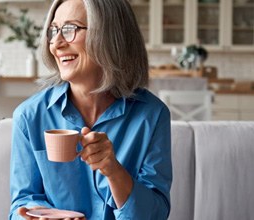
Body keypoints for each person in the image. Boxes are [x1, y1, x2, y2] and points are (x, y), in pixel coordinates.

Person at [9, 0, 172, 219]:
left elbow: (156, 213)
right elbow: (22, 203)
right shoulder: (30, 117)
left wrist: (113, 170)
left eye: (70, 29)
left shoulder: (151, 115)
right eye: (53, 31)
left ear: (110, 34)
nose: (56, 43)